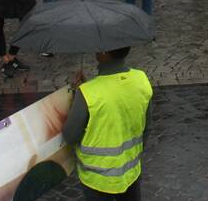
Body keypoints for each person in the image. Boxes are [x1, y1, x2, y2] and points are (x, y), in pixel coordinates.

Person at [62, 46, 152, 200]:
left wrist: (78, 99)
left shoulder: (87, 92)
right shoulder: (141, 79)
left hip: (97, 179)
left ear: (104, 52)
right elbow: (146, 127)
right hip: (131, 171)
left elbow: (70, 136)